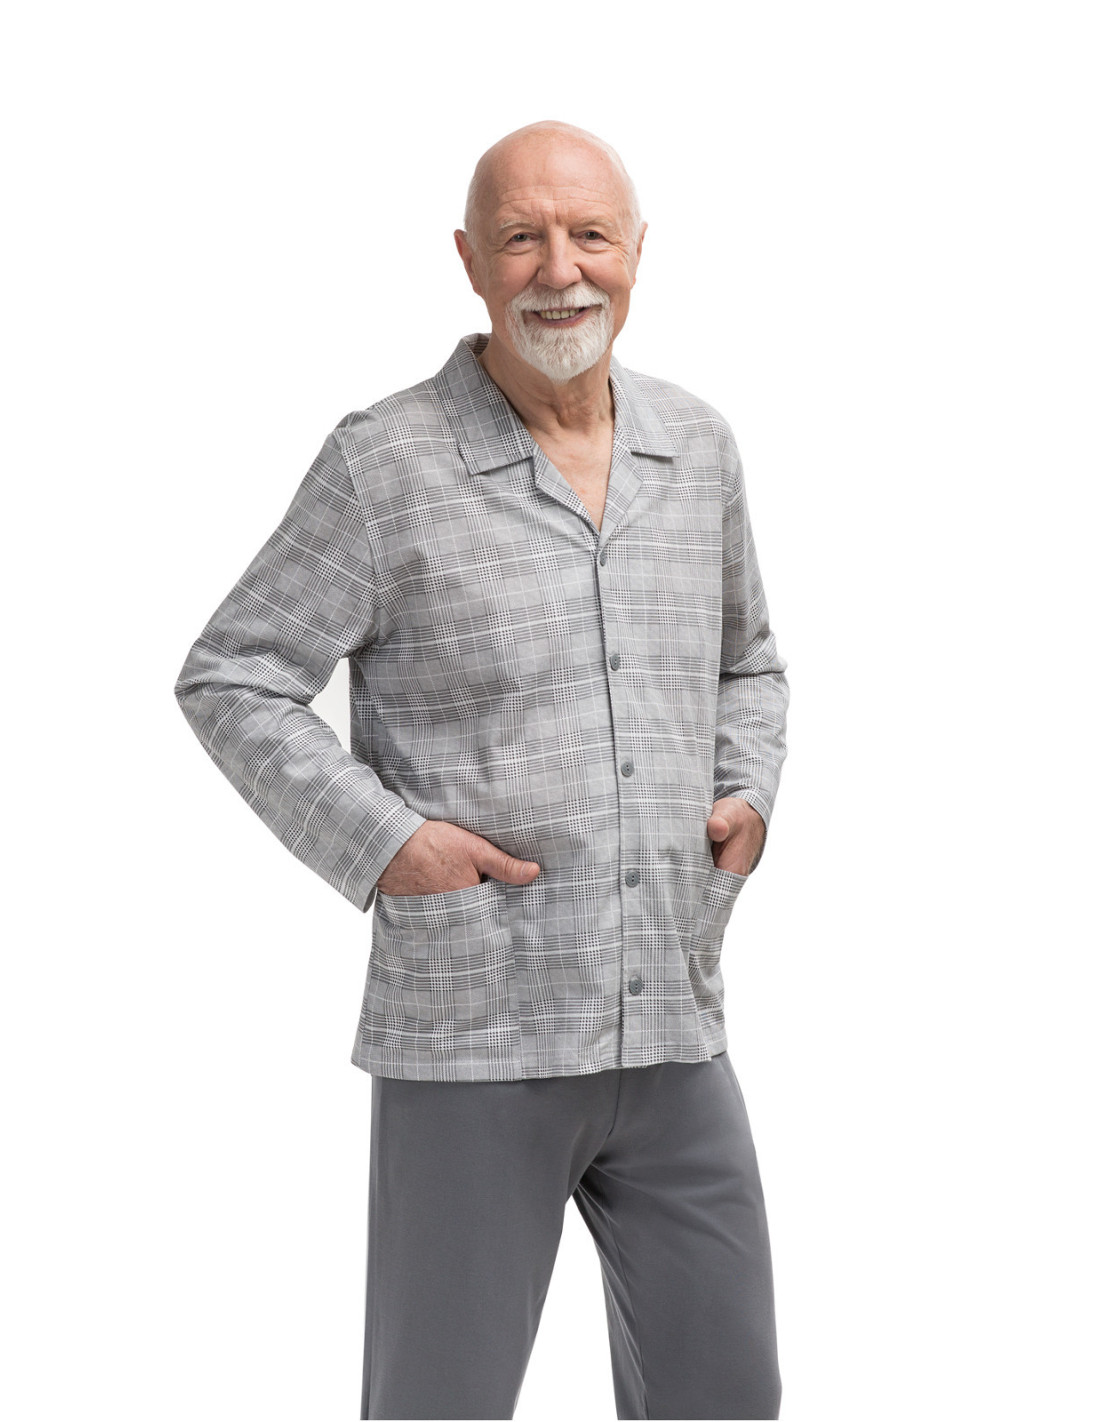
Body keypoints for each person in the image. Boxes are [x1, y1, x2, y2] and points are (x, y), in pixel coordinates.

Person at [174, 119, 790, 1421]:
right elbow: (233, 674)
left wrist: (744, 793)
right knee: (438, 1403)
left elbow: (750, 660)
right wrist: (387, 844)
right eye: (522, 238)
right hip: (477, 1032)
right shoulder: (384, 464)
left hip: (673, 1018)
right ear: (469, 259)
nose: (559, 270)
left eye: (589, 234)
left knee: (729, 1394)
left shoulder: (699, 448)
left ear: (638, 252)